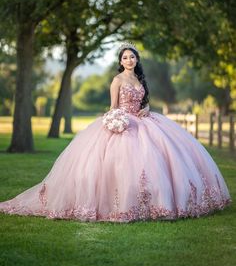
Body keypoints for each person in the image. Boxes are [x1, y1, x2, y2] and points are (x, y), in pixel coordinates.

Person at [0, 43, 231, 222]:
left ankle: (158, 202)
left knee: (159, 159)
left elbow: (143, 101)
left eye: (132, 56)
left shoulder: (140, 79)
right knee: (118, 164)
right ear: (120, 61)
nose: (128, 60)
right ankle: (117, 205)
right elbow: (113, 106)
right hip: (123, 122)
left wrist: (147, 108)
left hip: (145, 121)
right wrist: (115, 120)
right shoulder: (117, 79)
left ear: (136, 59)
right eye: (124, 57)